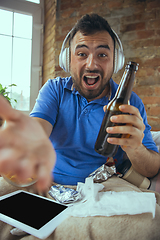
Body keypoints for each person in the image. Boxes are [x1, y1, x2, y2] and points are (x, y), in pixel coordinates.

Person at [0, 14, 159, 189]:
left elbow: (151, 169)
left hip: (101, 188)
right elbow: (38, 128)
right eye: (82, 54)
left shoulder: (130, 103)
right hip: (47, 182)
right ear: (68, 60)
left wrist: (135, 148)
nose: (91, 64)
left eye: (102, 54)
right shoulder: (54, 89)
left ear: (116, 61)